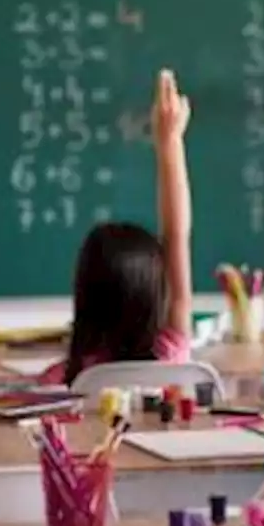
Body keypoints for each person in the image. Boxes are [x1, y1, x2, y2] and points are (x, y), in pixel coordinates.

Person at [40, 70, 194, 386]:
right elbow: (176, 234)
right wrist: (170, 142)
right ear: (158, 295)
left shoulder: (64, 382)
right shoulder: (171, 357)